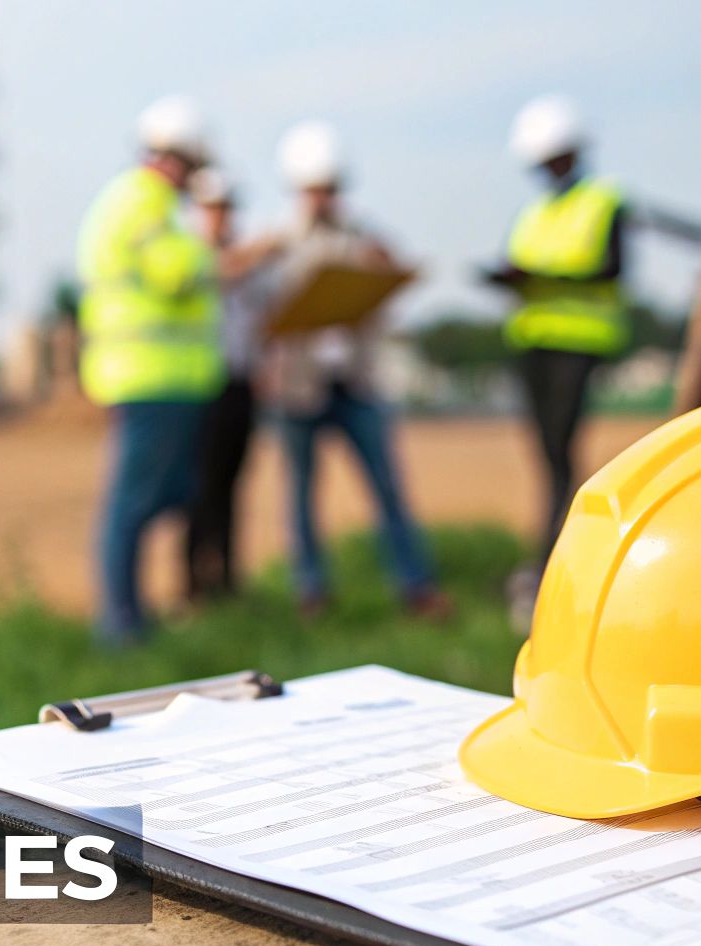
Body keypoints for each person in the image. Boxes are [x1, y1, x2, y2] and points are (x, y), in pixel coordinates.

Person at [257, 121, 450, 619]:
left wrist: (380, 269)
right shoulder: (276, 243)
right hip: (298, 387)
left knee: (387, 485)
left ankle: (415, 585)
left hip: (355, 382)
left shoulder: (364, 237)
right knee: (300, 491)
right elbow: (258, 314)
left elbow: (386, 292)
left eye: (330, 189)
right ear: (298, 189)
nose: (323, 198)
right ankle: (311, 590)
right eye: (314, 189)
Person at [76, 95, 225, 645]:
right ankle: (120, 627)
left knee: (172, 491)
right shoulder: (145, 201)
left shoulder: (141, 201)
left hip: (164, 378)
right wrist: (212, 252)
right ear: (181, 158)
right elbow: (175, 274)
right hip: (149, 376)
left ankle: (128, 618)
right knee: (133, 503)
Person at [484, 95, 629, 620]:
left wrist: (542, 280)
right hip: (534, 343)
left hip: (580, 343)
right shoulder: (536, 211)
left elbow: (612, 269)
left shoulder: (606, 200)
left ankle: (557, 556)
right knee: (549, 457)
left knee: (562, 456)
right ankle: (552, 554)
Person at [183, 168, 275, 601]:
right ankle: (194, 585)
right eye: (211, 208)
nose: (219, 216)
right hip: (200, 387)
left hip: (240, 386)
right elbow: (220, 272)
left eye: (224, 208)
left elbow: (262, 323)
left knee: (232, 488)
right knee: (198, 487)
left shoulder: (248, 266)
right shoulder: (188, 259)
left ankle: (227, 581)